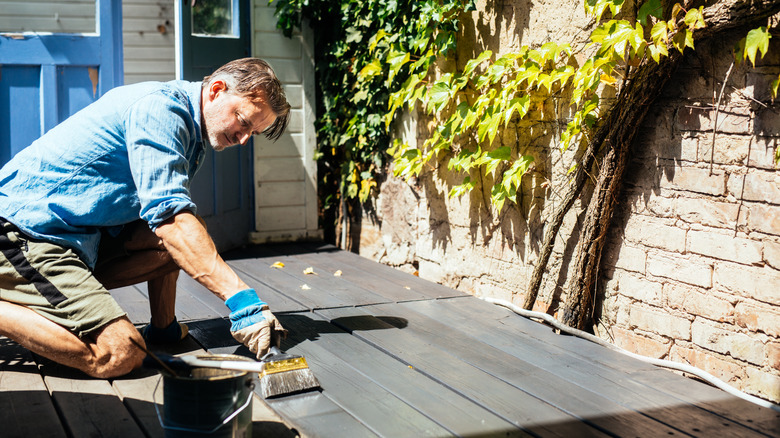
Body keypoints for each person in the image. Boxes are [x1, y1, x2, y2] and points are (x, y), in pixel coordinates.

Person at [0, 57, 290, 378]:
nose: (244, 138)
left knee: (183, 237)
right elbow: (171, 220)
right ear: (217, 90)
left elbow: (167, 227)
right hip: (23, 234)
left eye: (254, 132)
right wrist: (244, 303)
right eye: (243, 121)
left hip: (74, 238)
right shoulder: (159, 110)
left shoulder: (191, 131)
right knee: (119, 353)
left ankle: (162, 328)